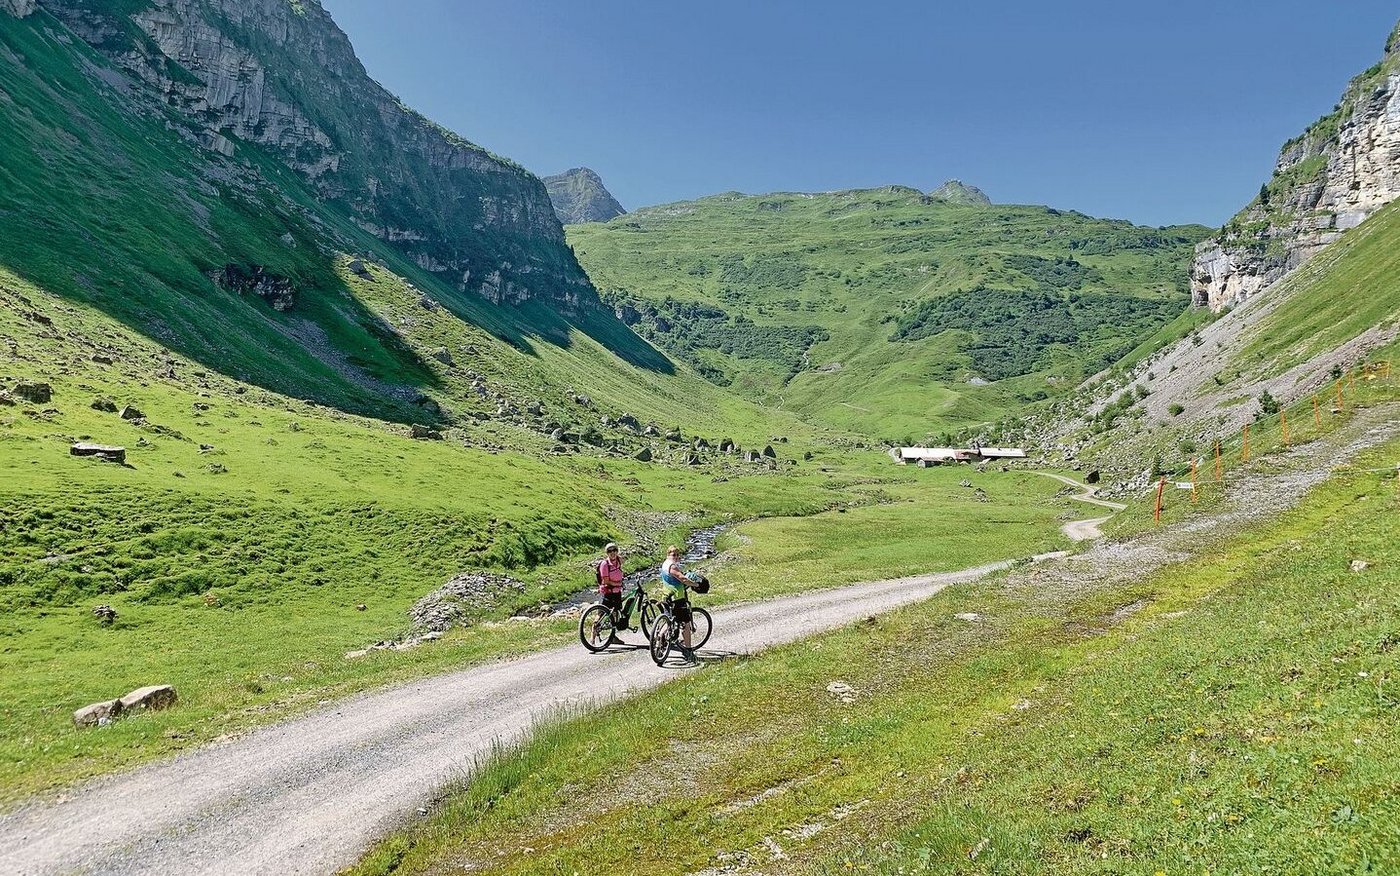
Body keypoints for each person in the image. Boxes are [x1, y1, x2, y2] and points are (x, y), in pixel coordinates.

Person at [659, 545, 697, 661]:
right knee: (685, 624)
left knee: (668, 619)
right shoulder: (672, 566)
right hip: (677, 598)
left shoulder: (665, 564)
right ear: (668, 554)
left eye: (677, 554)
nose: (675, 556)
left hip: (666, 596)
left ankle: (660, 640)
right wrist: (695, 584)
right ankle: (688, 651)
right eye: (673, 554)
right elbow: (683, 579)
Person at [596, 543, 628, 633]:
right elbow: (605, 581)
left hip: (616, 591)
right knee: (600, 614)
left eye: (614, 550)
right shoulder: (604, 564)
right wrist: (618, 583)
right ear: (607, 553)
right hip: (607, 592)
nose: (612, 553)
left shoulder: (618, 560)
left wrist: (618, 555)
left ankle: (613, 636)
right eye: (610, 551)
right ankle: (592, 637)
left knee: (615, 613)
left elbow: (623, 560)